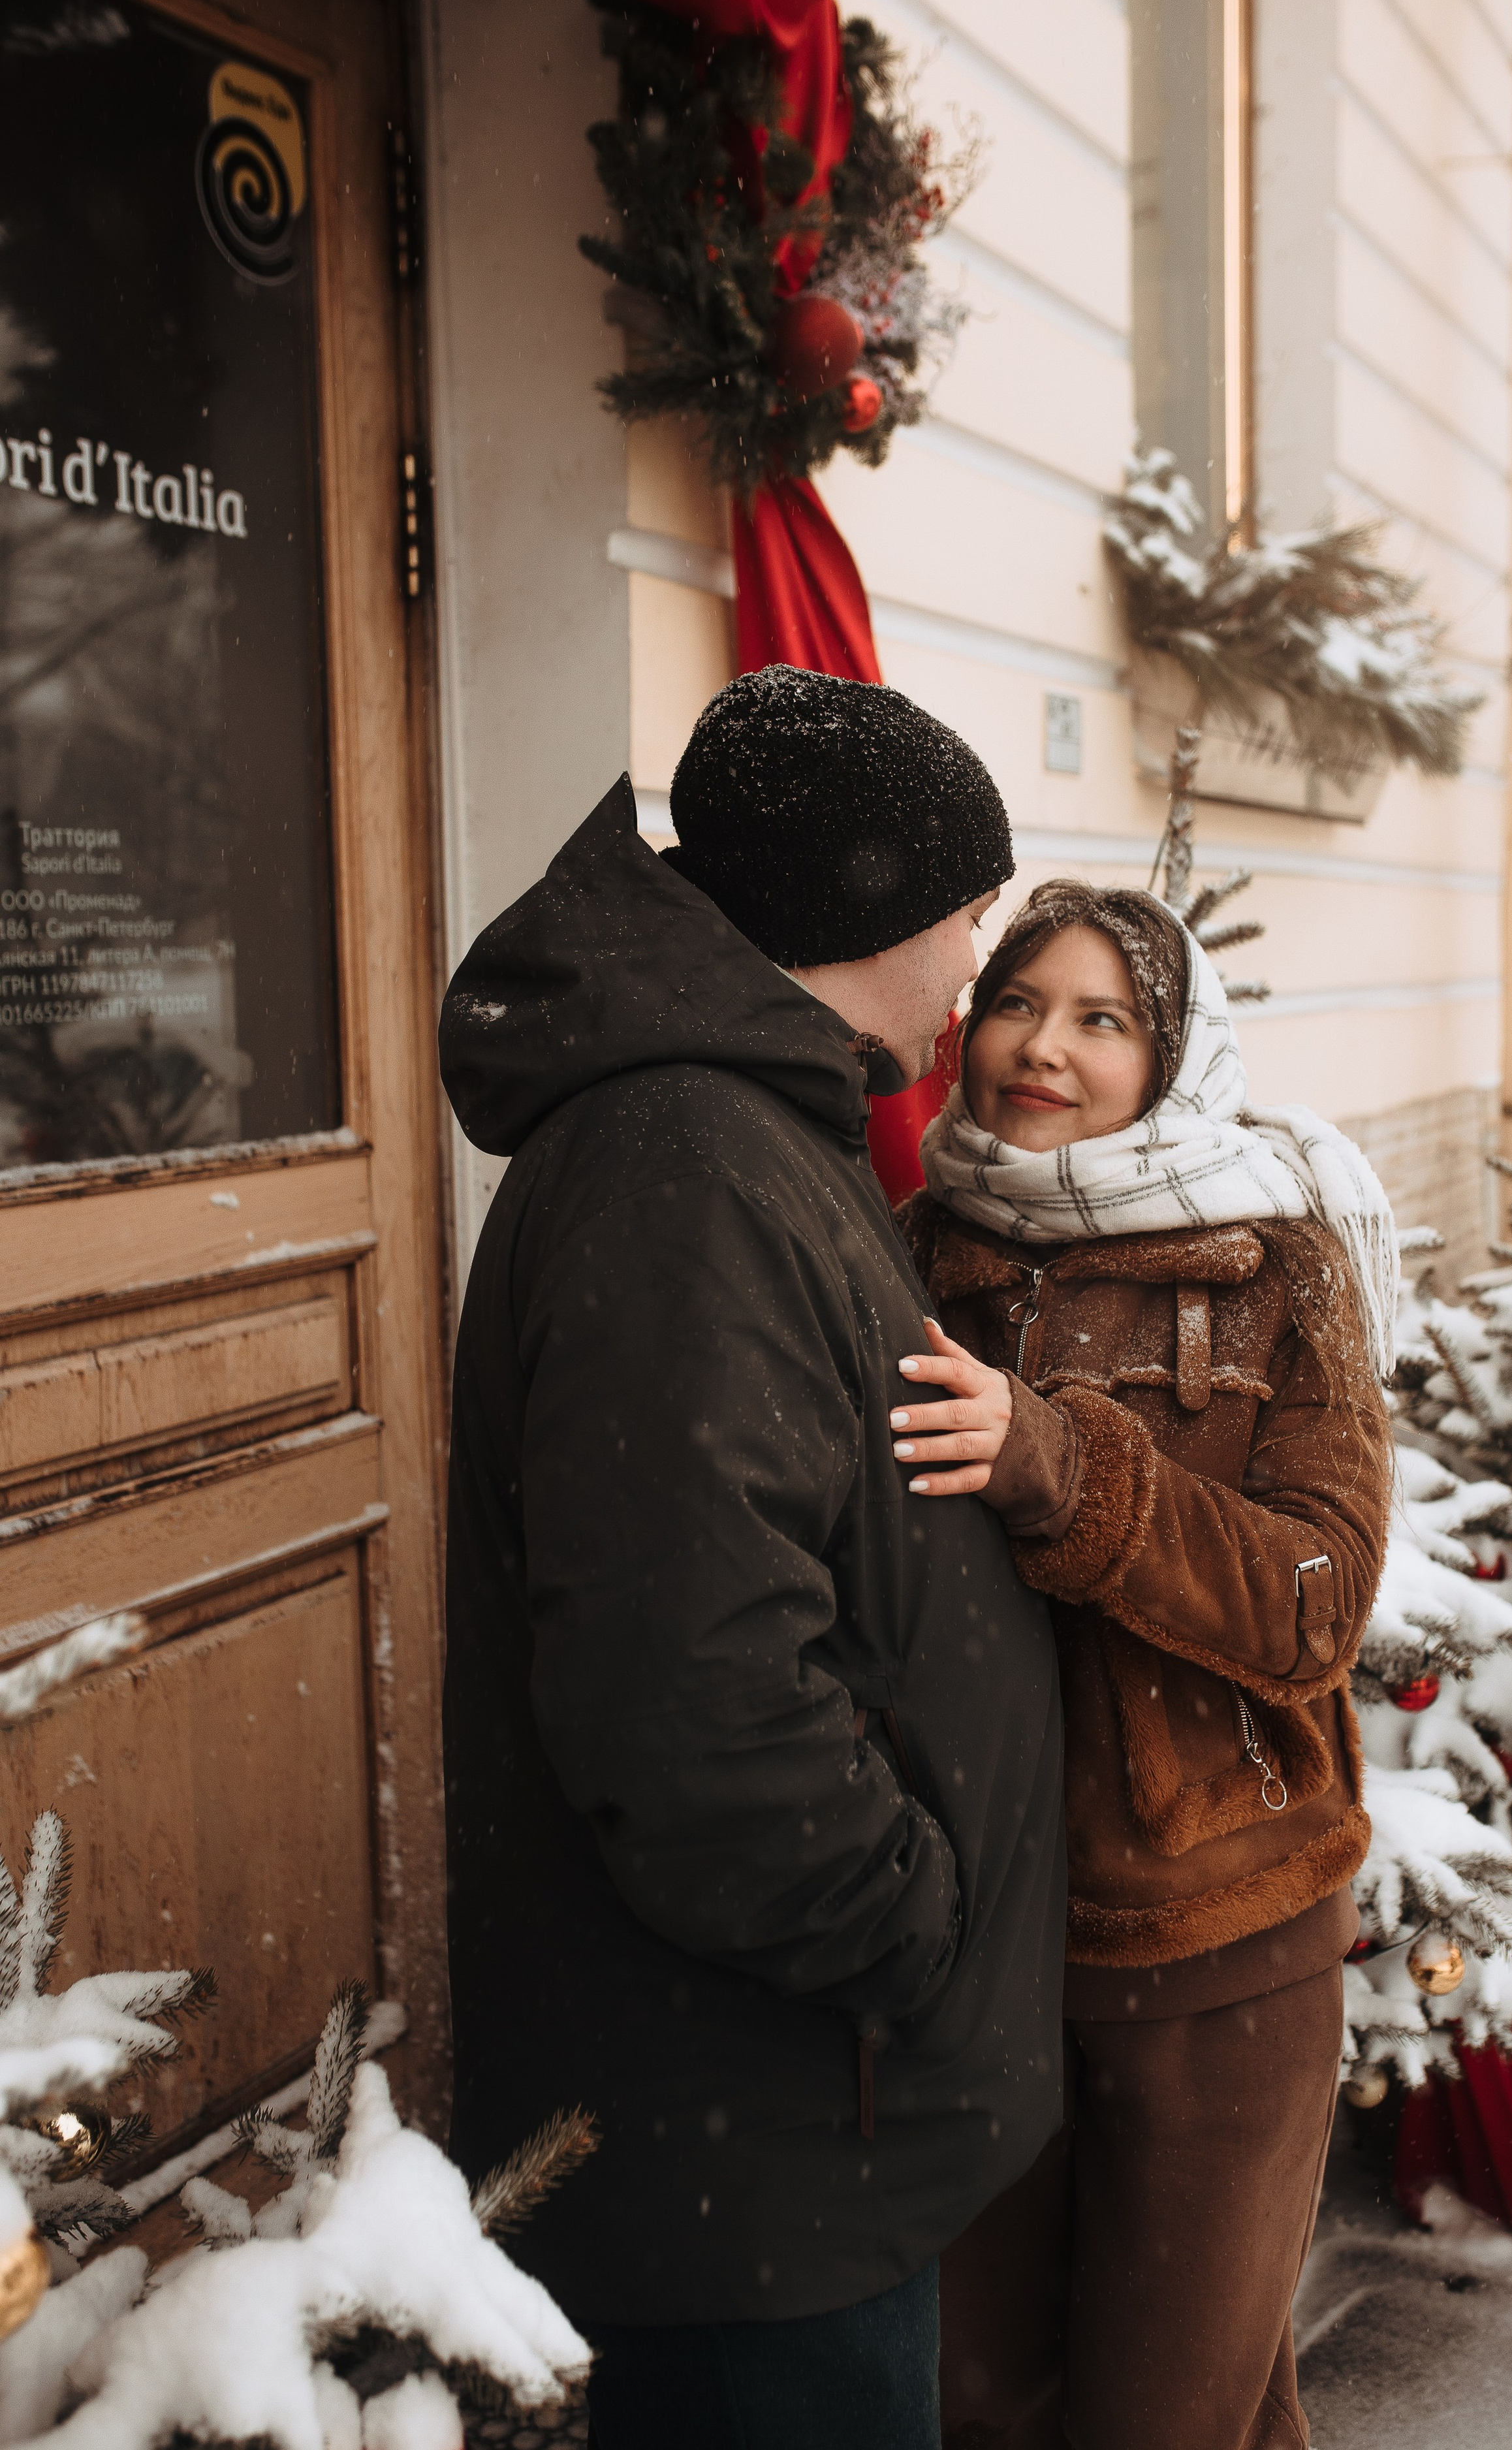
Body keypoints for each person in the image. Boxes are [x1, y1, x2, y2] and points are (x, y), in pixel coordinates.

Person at [438, 668, 1067, 2450]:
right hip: (759, 2150)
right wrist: (908, 1925)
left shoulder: (738, 1123)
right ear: (874, 906)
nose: (975, 965)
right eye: (971, 914)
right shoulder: (686, 1165)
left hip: (784, 2131)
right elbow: (687, 1695)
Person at [890, 879, 1394, 2450]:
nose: (1042, 1047)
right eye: (1019, 1002)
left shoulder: (1278, 1265)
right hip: (973, 1946)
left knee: (1166, 2418)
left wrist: (1067, 1469)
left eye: (1102, 1019)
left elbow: (1317, 1600)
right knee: (990, 2414)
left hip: (1218, 1949)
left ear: (1171, 1053)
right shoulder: (906, 1245)